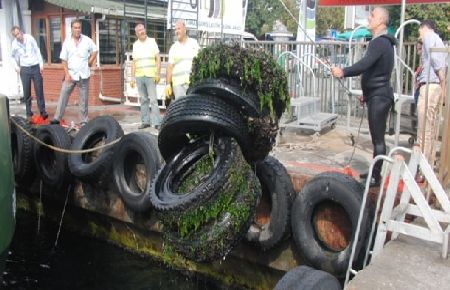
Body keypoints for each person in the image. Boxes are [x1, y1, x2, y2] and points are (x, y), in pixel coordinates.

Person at [331, 7, 397, 187]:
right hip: (377, 95)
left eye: (372, 15)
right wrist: (367, 95)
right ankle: (375, 172)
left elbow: (364, 65)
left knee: (378, 139)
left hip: (380, 96)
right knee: (378, 138)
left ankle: (376, 176)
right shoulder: (384, 42)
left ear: (381, 20)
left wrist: (343, 71)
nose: (369, 18)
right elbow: (377, 72)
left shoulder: (379, 42)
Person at [51, 19, 97, 126]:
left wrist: (89, 62)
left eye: (79, 27)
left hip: (83, 74)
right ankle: (57, 118)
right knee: (63, 95)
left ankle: (83, 120)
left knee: (83, 99)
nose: (77, 30)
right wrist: (67, 74)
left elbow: (95, 50)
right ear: (71, 29)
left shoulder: (87, 40)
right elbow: (64, 60)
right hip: (71, 74)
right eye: (75, 28)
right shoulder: (67, 42)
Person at [416, 19, 447, 165]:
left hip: (430, 86)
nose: (419, 36)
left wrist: (442, 81)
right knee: (430, 129)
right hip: (434, 86)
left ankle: (422, 166)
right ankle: (428, 162)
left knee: (424, 130)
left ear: (424, 28)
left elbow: (436, 60)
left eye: (419, 32)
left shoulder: (429, 37)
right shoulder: (440, 41)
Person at [10, 26, 48, 122]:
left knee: (39, 89)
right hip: (25, 69)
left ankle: (42, 111)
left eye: (18, 33)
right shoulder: (14, 44)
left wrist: (41, 64)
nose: (18, 36)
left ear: (21, 32)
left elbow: (37, 50)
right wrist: (16, 67)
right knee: (27, 92)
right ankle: (28, 112)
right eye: (15, 35)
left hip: (35, 66)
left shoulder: (29, 38)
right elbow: (12, 57)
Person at [131, 23, 162, 129]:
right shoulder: (135, 45)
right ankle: (145, 121)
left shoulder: (152, 42)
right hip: (139, 76)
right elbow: (134, 62)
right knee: (143, 99)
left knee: (153, 100)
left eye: (143, 29)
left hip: (150, 75)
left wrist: (158, 73)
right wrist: (132, 78)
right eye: (139, 30)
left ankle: (157, 122)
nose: (142, 31)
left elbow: (158, 58)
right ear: (136, 33)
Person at [165, 19, 200, 99]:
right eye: (175, 29)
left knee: (192, 107)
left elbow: (199, 61)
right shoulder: (174, 48)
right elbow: (170, 67)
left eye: (179, 28)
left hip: (192, 83)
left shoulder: (193, 43)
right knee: (180, 109)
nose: (176, 31)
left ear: (185, 29)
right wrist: (167, 84)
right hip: (178, 85)